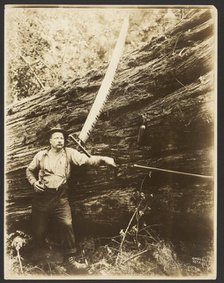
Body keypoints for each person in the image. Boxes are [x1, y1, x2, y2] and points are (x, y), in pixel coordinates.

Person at [26, 126, 116, 270]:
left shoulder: (69, 153)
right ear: (50, 141)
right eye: (56, 138)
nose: (60, 140)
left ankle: (69, 260)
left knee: (66, 224)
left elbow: (87, 160)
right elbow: (29, 170)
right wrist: (34, 182)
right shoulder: (41, 155)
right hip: (41, 198)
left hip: (60, 197)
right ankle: (41, 259)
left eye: (62, 138)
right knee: (39, 229)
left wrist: (104, 159)